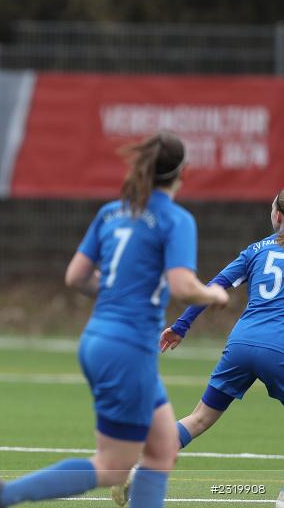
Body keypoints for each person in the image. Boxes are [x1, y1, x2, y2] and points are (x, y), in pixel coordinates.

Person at [0, 131, 230, 508]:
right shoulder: (176, 220)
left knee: (162, 448)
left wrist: (119, 291)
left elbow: (75, 276)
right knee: (112, 466)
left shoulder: (111, 211)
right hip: (129, 350)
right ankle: (2, 496)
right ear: (183, 171)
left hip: (97, 339)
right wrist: (214, 294)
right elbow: (182, 284)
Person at [111, 189, 284, 506]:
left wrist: (181, 326)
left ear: (277, 216)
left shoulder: (255, 251)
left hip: (241, 342)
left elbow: (214, 286)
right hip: (279, 346)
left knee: (200, 417)